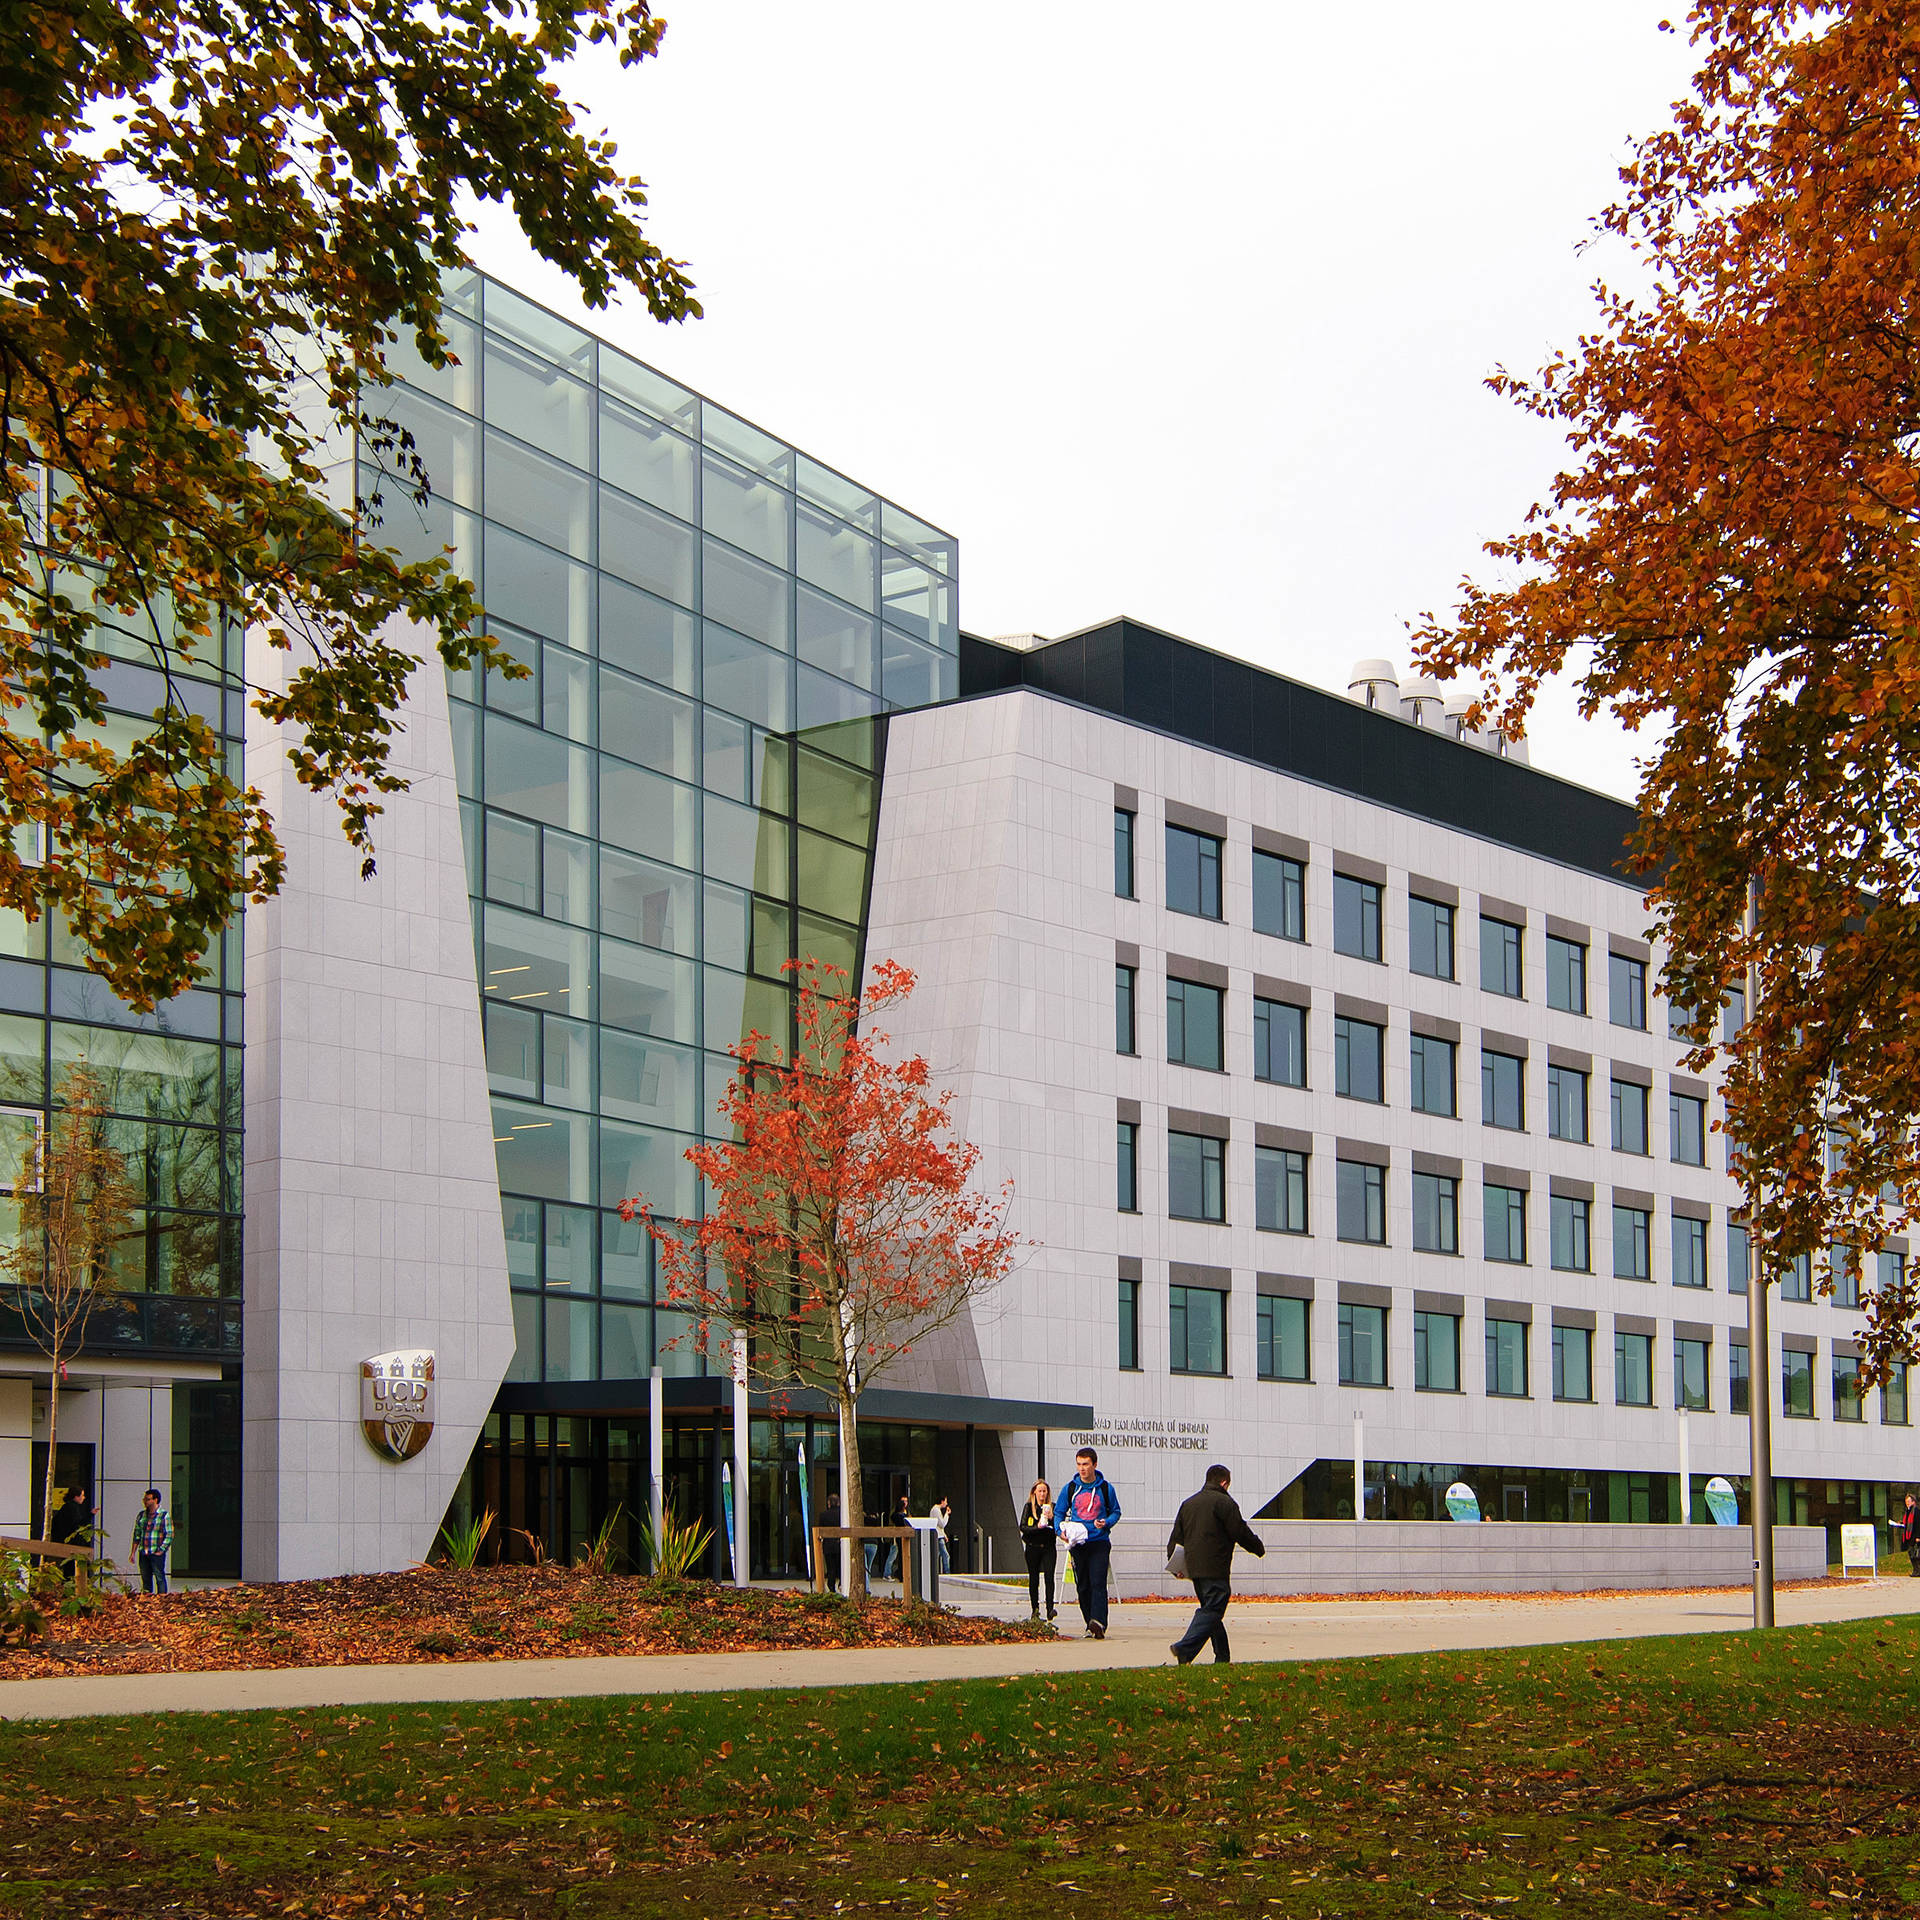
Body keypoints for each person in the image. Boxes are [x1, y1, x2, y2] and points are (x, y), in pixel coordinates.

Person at [1166, 1463, 1266, 1665]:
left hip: (1194, 1569)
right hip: (1216, 1566)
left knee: (1211, 1611)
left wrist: (1176, 1567)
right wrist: (1258, 1548)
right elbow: (1239, 1531)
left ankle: (1222, 1657)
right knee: (1212, 1610)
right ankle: (1184, 1648)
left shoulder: (1188, 1504)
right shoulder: (1225, 1503)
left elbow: (1175, 1539)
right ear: (1224, 1482)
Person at [1053, 1447, 1120, 1639]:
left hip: (1099, 1541)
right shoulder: (1070, 1488)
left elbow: (1116, 1511)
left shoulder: (1106, 1488)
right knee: (1083, 1585)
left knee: (1098, 1582)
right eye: (1079, 1464)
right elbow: (1058, 1512)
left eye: (1086, 1464)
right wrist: (1060, 1531)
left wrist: (1106, 1522)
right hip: (1077, 1543)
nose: (1082, 1468)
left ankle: (1099, 1622)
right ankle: (1089, 1623)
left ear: (1094, 1465)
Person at [1020, 1478, 1058, 1619]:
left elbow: (1058, 1527)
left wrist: (1052, 1518)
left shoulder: (1052, 1507)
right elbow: (1023, 1527)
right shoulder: (1029, 1507)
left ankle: (1050, 1608)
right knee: (1034, 1578)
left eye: (1044, 1491)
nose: (1042, 1494)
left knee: (1049, 1576)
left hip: (1048, 1547)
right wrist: (1037, 1527)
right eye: (1040, 1491)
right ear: (1034, 1493)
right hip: (1033, 1547)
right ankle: (1035, 1610)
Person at [131, 1487, 172, 1596]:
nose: (145, 1501)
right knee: (146, 1578)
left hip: (156, 1551)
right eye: (145, 1499)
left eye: (148, 1499)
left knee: (159, 1577)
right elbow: (137, 1534)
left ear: (156, 1500)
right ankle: (147, 1599)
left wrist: (161, 1549)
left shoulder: (163, 1515)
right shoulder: (141, 1515)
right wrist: (133, 1552)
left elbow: (169, 1534)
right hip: (144, 1551)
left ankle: (162, 1599)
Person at [821, 1490, 842, 1593]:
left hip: (828, 1545)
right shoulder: (843, 1515)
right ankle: (841, 1583)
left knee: (830, 1567)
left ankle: (831, 1586)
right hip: (840, 1543)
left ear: (829, 1503)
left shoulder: (824, 1515)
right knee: (840, 1565)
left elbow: (821, 1529)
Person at [930, 1495, 953, 1574]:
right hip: (938, 1537)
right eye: (946, 1501)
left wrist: (944, 1534)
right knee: (945, 1555)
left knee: (938, 1555)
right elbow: (942, 1524)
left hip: (939, 1535)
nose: (946, 1504)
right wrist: (947, 1514)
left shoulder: (935, 1510)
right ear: (942, 1501)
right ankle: (947, 1572)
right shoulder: (936, 1510)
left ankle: (934, 1572)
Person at [1902, 1492, 1919, 1576]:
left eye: (1908, 1501)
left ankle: (1917, 1570)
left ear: (1913, 1502)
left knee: (1914, 1553)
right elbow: (1907, 1523)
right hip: (1909, 1535)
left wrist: (1918, 1536)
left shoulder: (1916, 1511)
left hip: (1914, 1536)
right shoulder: (1907, 1511)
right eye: (1906, 1501)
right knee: (1911, 1553)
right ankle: (1916, 1570)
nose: (1907, 1503)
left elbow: (1918, 1524)